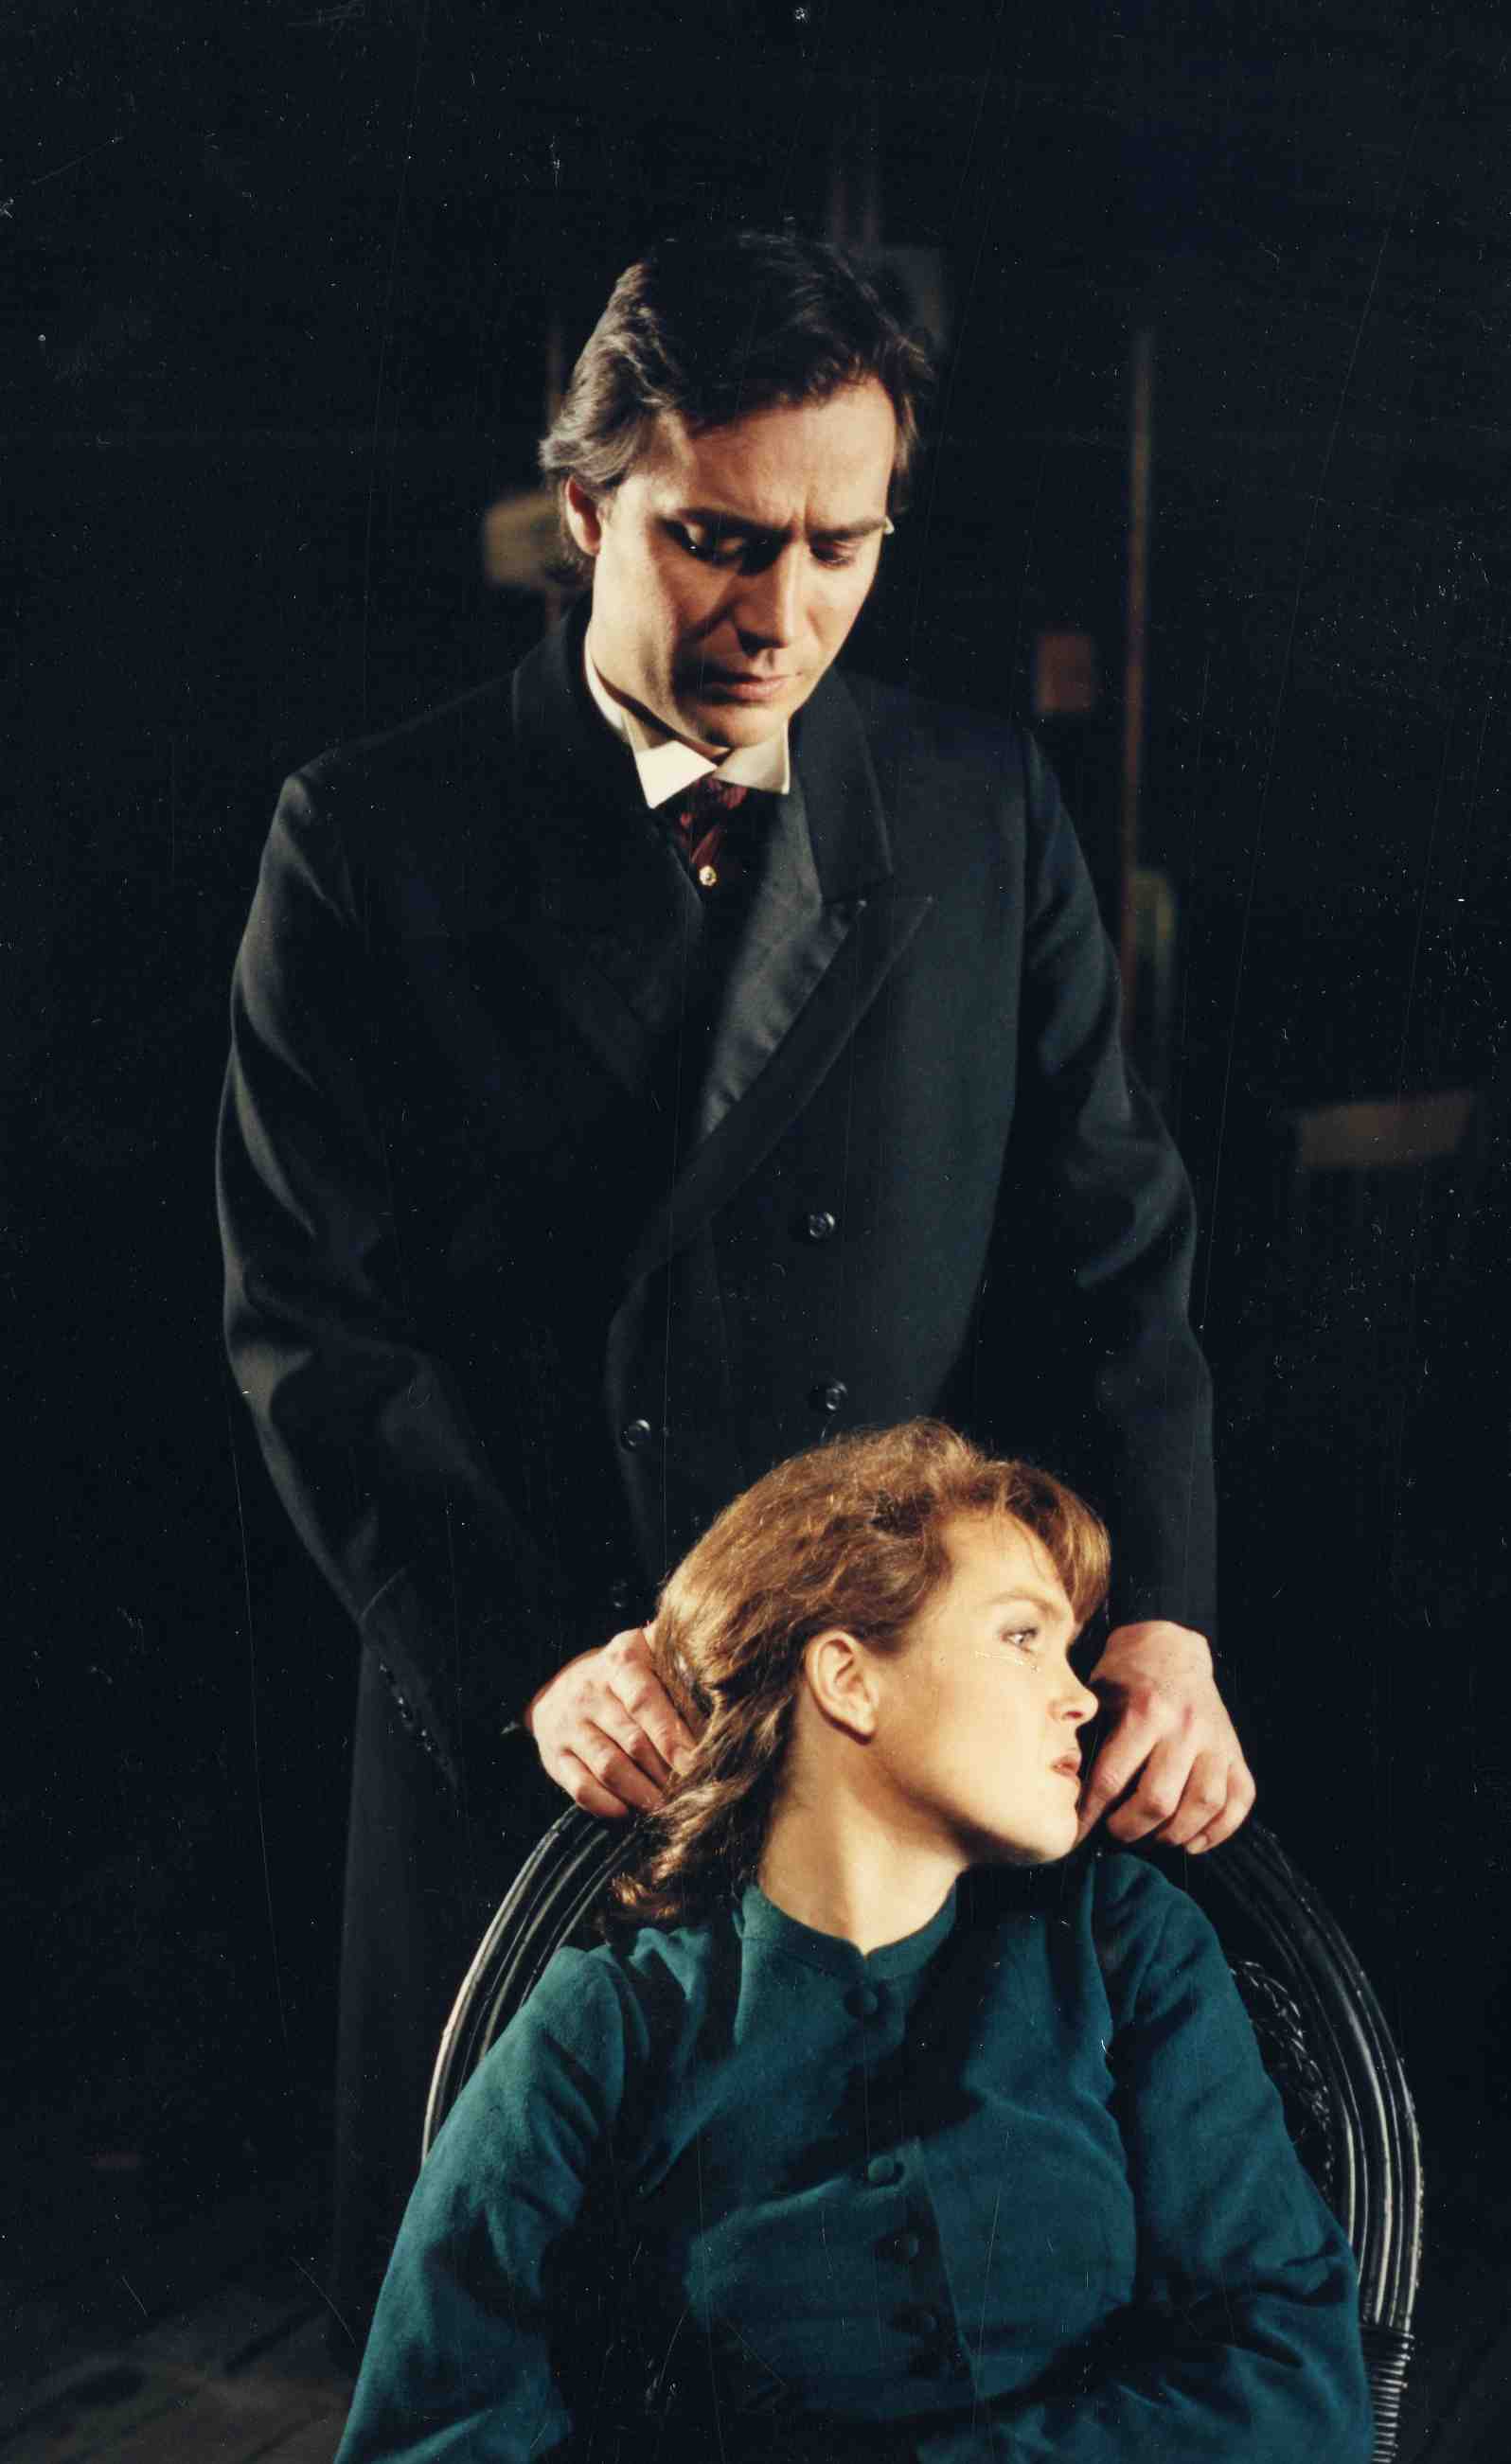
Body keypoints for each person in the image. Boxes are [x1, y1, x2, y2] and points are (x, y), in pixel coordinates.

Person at [216, 227, 1252, 2349]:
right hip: (557, 1713)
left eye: (838, 548)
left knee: (861, 2337)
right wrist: (530, 1659)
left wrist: (1160, 1616)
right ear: (585, 508)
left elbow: (1113, 1256)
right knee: (525, 2348)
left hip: (880, 1731)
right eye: (716, 539)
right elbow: (314, 1329)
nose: (778, 613)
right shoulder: (369, 835)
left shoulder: (976, 811)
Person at [332, 1423, 1370, 2464]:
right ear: (848, 1677)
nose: (1079, 1695)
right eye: (1023, 1635)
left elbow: (1298, 2379)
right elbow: (431, 2436)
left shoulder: (1122, 1946)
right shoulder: (600, 2025)